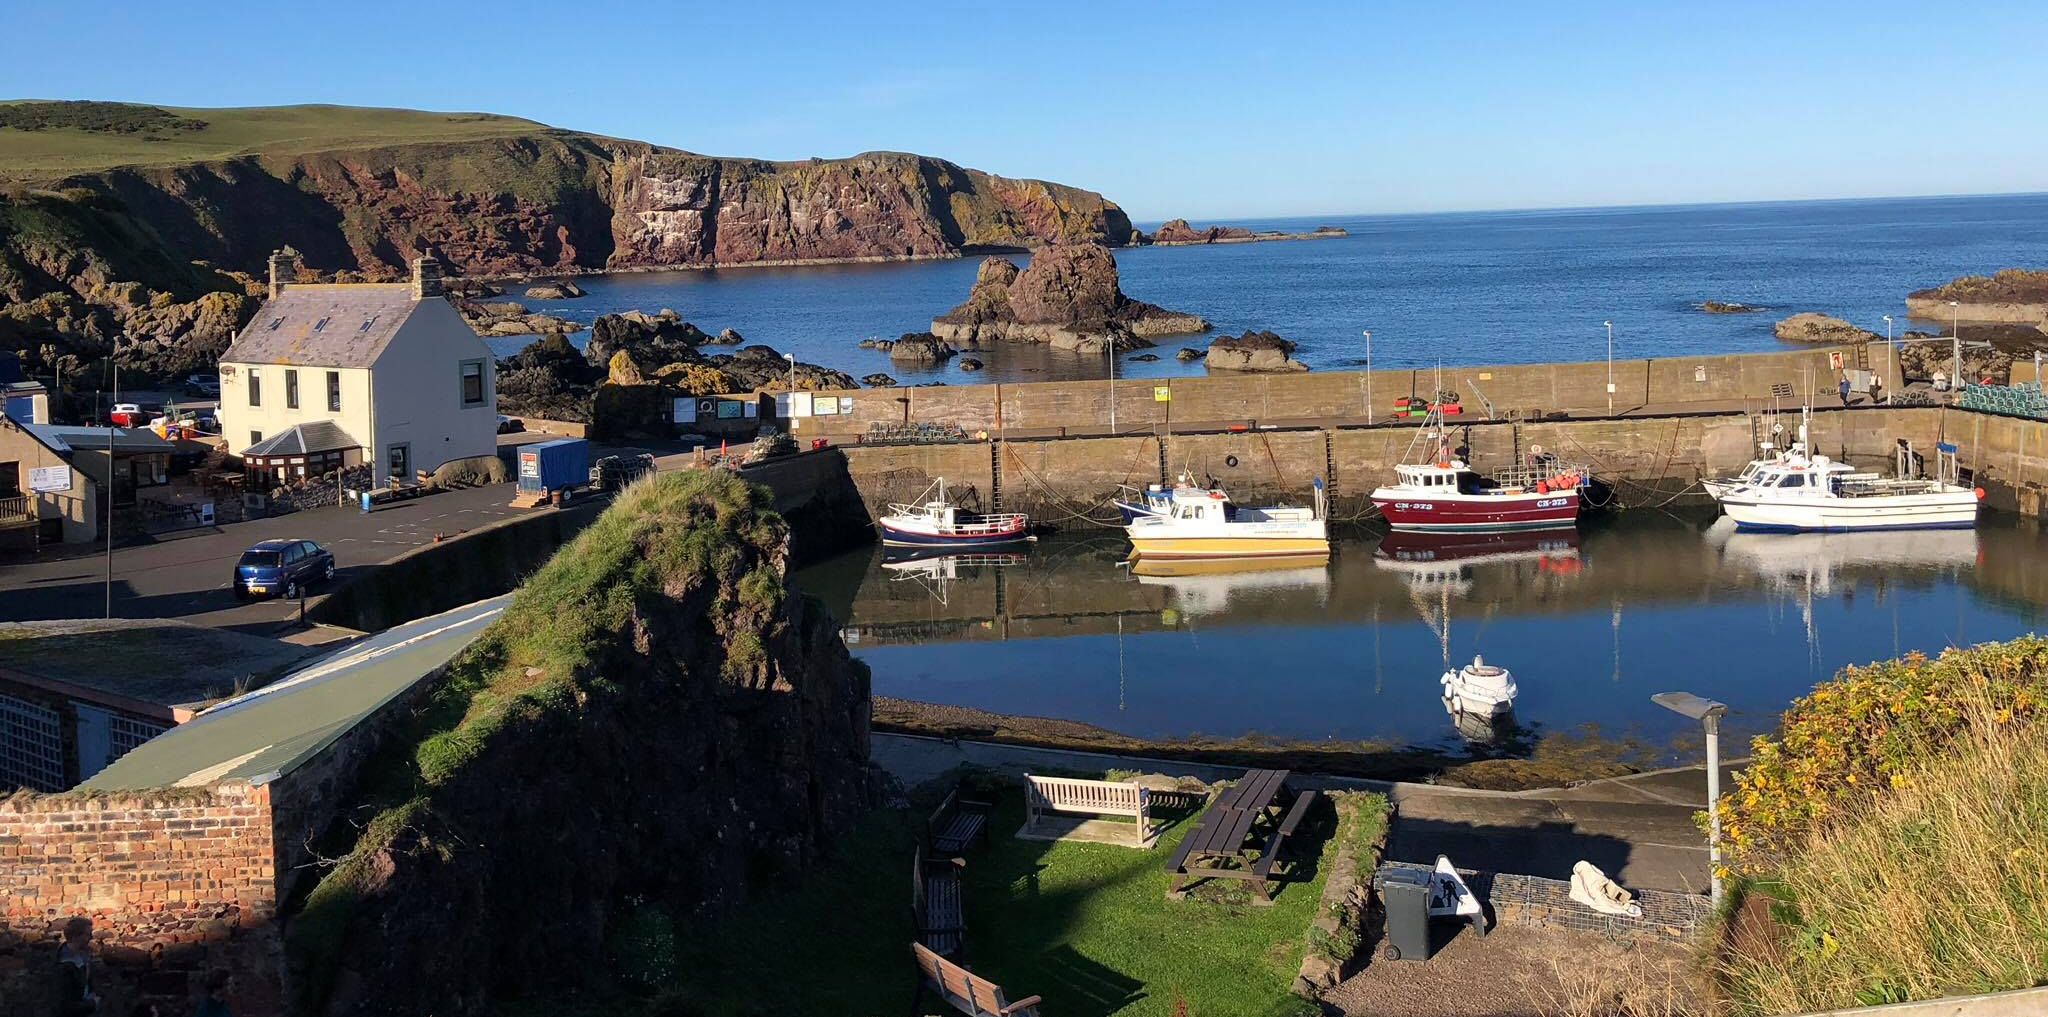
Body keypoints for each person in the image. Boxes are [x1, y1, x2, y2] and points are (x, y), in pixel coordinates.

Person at [56, 916, 98, 1016]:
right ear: (75, 937)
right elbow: (65, 1004)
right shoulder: (63, 964)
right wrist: (91, 1004)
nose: (91, 938)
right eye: (88, 934)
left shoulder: (85, 956)